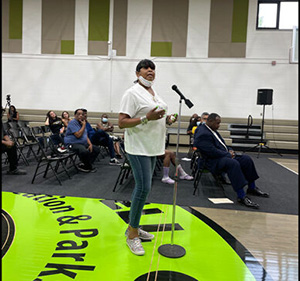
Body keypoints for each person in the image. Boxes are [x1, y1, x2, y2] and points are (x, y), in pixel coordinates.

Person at [119, 59, 177, 256]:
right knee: (142, 188)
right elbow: (122, 123)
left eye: (153, 68)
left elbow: (154, 116)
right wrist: (146, 118)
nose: (150, 71)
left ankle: (133, 226)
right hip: (138, 147)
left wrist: (167, 120)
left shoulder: (154, 94)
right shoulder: (131, 93)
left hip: (153, 147)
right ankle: (132, 235)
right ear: (137, 73)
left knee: (145, 189)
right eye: (146, 68)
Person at [194, 113, 269, 209]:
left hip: (221, 156)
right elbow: (211, 151)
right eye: (217, 123)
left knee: (246, 159)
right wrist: (228, 154)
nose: (219, 125)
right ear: (210, 121)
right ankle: (241, 196)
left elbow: (221, 145)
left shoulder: (212, 130)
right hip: (210, 161)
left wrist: (229, 150)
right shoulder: (202, 133)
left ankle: (252, 187)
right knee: (233, 164)